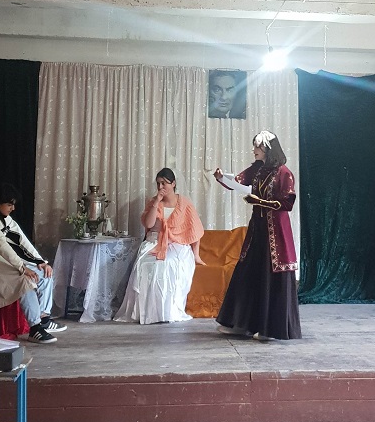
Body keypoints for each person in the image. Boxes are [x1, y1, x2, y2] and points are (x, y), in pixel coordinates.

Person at [214, 131, 301, 341]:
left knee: (271, 274)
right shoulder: (257, 170)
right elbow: (237, 182)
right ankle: (242, 324)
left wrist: (259, 201)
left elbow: (287, 203)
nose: (254, 150)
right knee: (248, 271)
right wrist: (221, 178)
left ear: (267, 149)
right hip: (257, 230)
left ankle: (270, 329)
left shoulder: (284, 173)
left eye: (257, 146)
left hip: (276, 232)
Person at [0, 183, 67, 344]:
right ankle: (35, 328)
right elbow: (2, 247)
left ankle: (44, 318)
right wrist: (22, 268)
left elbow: (22, 240)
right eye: (9, 204)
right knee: (24, 279)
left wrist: (40, 261)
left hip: (5, 259)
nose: (12, 208)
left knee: (44, 273)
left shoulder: (5, 217)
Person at [114, 168, 205, 325]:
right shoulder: (154, 202)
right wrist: (156, 203)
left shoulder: (184, 203)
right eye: (158, 183)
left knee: (167, 264)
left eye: (164, 183)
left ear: (173, 183)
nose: (160, 187)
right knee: (145, 265)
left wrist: (196, 255)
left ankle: (166, 312)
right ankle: (147, 313)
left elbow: (194, 231)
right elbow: (148, 224)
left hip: (177, 244)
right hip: (154, 242)